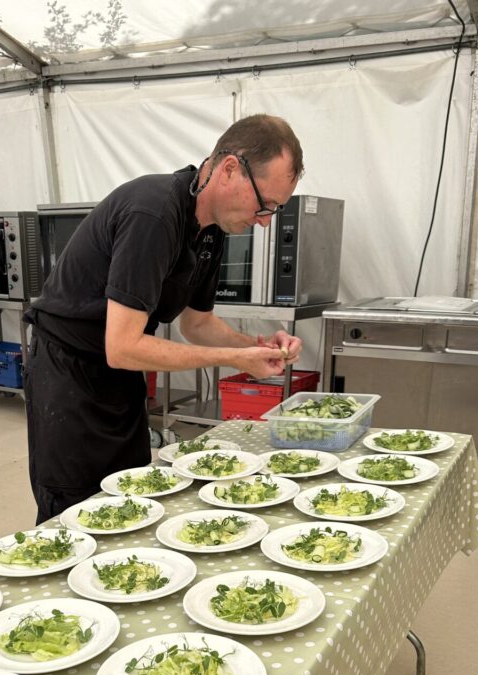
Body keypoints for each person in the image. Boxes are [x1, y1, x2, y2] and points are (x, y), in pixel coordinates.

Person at [24, 113, 305, 524]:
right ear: (230, 169)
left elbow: (198, 324)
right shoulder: (153, 213)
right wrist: (230, 360)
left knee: (130, 495)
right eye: (265, 205)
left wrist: (253, 349)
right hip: (69, 376)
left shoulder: (210, 231)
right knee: (77, 516)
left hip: (118, 377)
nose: (264, 222)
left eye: (275, 211)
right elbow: (122, 346)